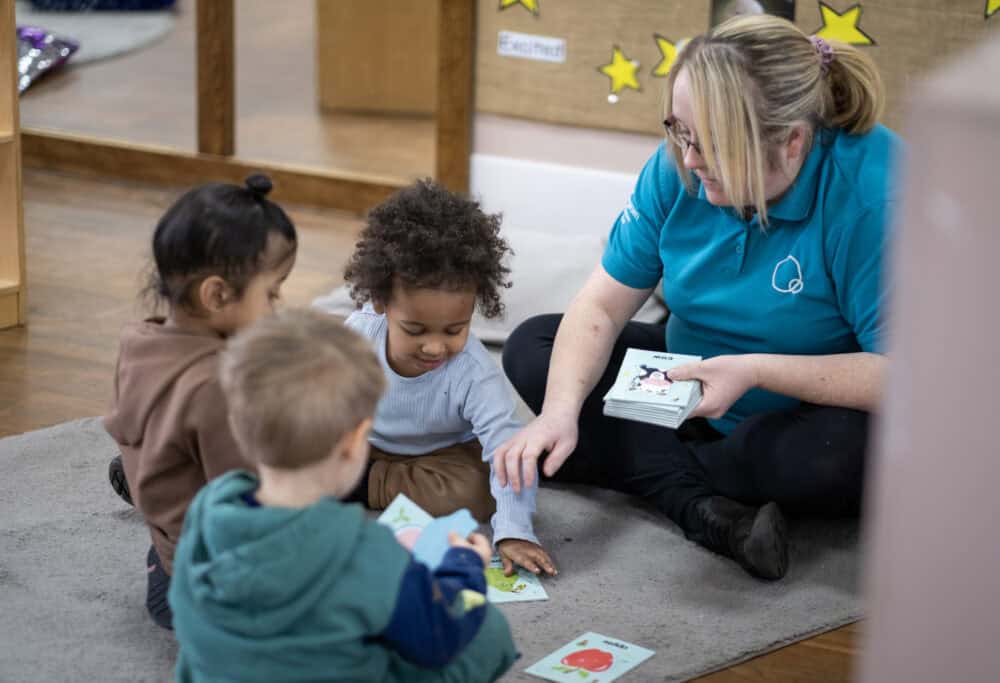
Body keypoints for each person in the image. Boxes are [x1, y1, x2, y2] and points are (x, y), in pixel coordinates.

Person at [495, 15, 899, 580]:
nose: (687, 159)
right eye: (678, 131)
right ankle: (705, 502)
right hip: (691, 370)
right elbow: (602, 304)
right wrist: (561, 412)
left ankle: (666, 476)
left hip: (802, 403)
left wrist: (757, 371)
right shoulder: (678, 164)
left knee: (840, 457)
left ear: (792, 144)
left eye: (711, 145)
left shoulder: (873, 198)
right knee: (533, 345)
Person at [169, 309, 518, 683]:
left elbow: (185, 610)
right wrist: (463, 567)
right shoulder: (368, 551)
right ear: (356, 442)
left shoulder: (209, 508)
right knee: (487, 633)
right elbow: (438, 639)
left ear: (238, 429)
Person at [334, 179, 556, 577]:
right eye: (416, 330)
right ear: (381, 303)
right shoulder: (359, 333)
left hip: (442, 458)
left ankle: (356, 486)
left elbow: (506, 451)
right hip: (364, 443)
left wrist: (514, 530)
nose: (435, 348)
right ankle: (352, 476)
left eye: (455, 330)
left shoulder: (475, 372)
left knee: (477, 489)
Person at [103, 174, 296, 627]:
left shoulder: (141, 338)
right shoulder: (216, 389)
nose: (279, 303)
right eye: (271, 292)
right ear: (216, 295)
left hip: (170, 533)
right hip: (205, 578)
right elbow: (246, 506)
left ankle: (160, 509)